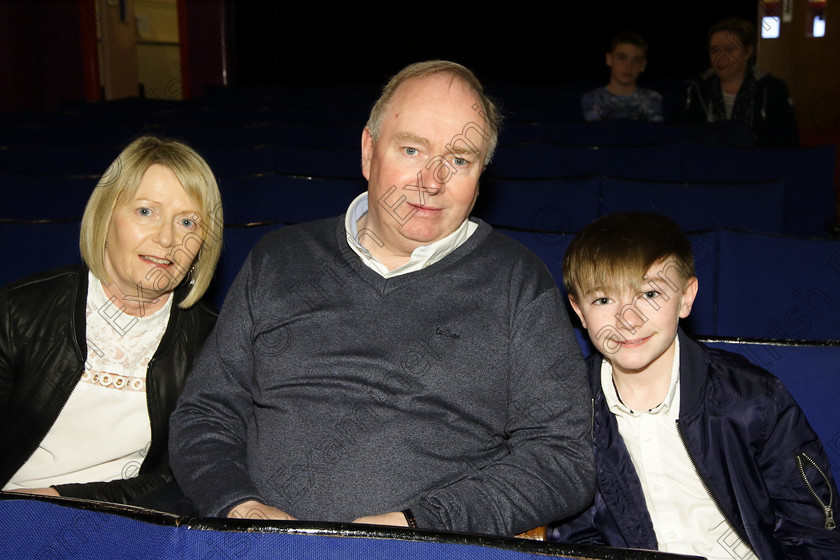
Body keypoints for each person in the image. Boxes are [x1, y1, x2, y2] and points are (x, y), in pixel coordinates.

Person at [168, 60, 594, 537]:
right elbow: (206, 412)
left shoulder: (517, 282)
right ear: (369, 152)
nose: (432, 181)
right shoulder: (279, 259)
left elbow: (563, 457)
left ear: (480, 176)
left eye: (459, 159)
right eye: (412, 149)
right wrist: (239, 508)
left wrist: (421, 525)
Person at [547, 212, 840, 559]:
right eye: (603, 300)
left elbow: (813, 536)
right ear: (579, 312)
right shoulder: (567, 410)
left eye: (650, 294)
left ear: (685, 298)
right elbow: (576, 538)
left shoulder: (753, 400)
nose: (628, 320)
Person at [1, 136, 223, 510]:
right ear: (107, 216)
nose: (167, 239)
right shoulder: (16, 313)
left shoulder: (214, 341)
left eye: (187, 222)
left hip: (125, 520)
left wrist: (60, 499)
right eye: (145, 212)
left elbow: (184, 473)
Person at [683, 17, 799, 148]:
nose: (720, 58)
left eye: (729, 50)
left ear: (747, 52)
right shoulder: (695, 88)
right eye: (715, 50)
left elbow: (787, 143)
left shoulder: (771, 89)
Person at [581, 31, 664, 123]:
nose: (628, 66)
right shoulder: (593, 99)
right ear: (609, 59)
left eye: (636, 60)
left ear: (643, 65)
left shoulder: (652, 99)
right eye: (622, 58)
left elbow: (655, 134)